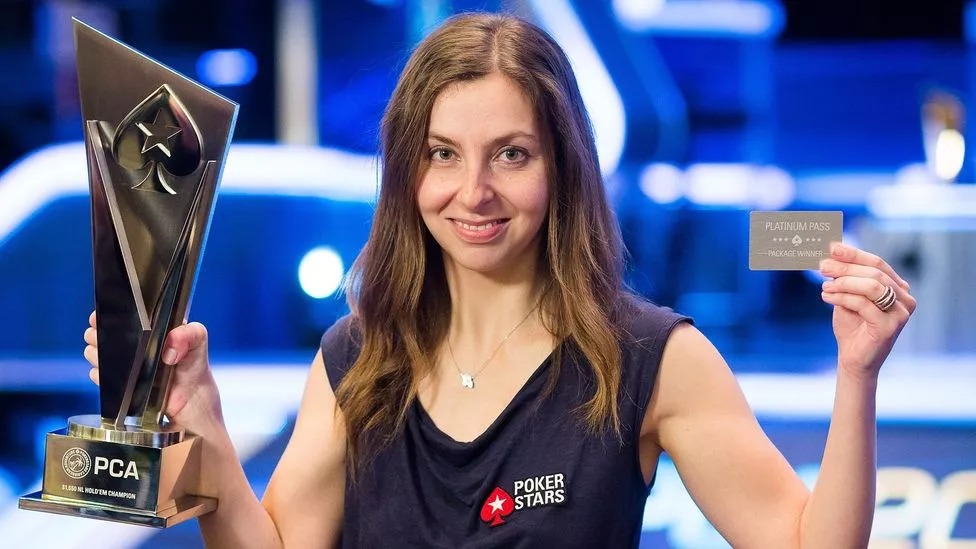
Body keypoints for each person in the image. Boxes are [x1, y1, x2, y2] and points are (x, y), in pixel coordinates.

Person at [83, 12, 915, 549]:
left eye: (510, 154)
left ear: (562, 166)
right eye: (443, 154)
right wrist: (202, 423)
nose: (473, 192)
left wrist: (858, 374)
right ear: (408, 170)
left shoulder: (651, 358)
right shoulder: (357, 358)